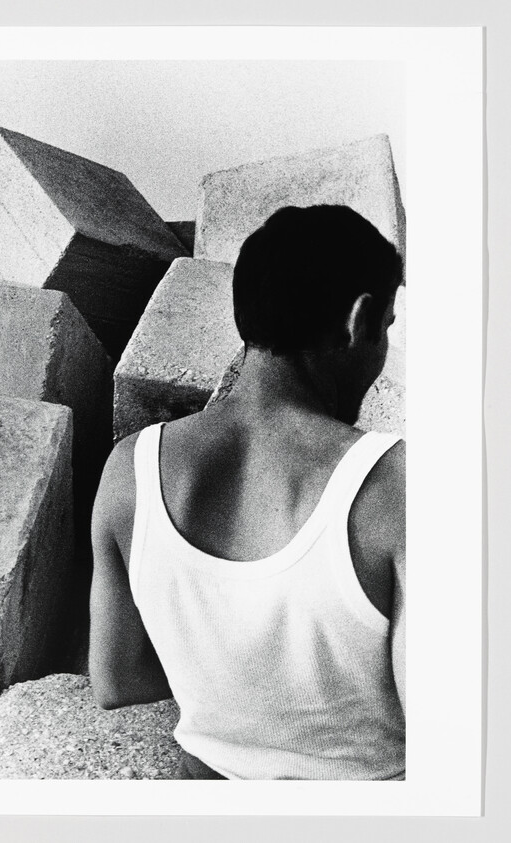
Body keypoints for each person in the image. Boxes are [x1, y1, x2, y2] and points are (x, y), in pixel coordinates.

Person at [89, 205, 406, 780]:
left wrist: (233, 676)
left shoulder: (128, 469)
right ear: (359, 320)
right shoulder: (393, 485)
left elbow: (115, 679)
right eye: (386, 326)